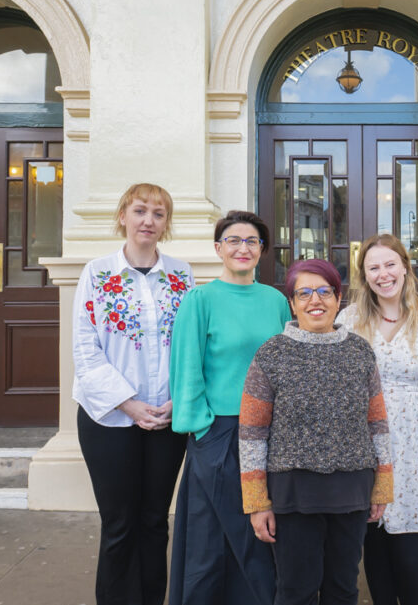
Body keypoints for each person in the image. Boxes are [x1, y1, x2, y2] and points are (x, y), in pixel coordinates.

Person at [239, 258, 394, 605]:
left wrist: (382, 484)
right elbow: (252, 433)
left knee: (343, 589)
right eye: (304, 293)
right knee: (296, 591)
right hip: (294, 495)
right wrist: (256, 502)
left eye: (325, 291)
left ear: (339, 299)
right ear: (292, 303)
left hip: (352, 491)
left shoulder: (359, 352)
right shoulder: (272, 354)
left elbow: (378, 423)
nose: (316, 300)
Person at [72, 183, 195, 605]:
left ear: (166, 223)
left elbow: (191, 345)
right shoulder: (97, 273)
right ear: (123, 215)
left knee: (155, 520)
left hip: (167, 416)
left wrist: (179, 398)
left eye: (159, 214)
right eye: (140, 211)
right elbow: (86, 351)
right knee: (120, 522)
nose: (149, 221)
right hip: (109, 418)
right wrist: (128, 403)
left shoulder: (182, 275)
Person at [167, 210, 292, 605]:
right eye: (234, 240)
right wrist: (201, 429)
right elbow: (186, 368)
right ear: (219, 249)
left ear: (262, 251)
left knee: (260, 535)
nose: (243, 248)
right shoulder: (200, 299)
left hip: (269, 431)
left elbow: (288, 365)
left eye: (251, 241)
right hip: (218, 432)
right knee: (210, 539)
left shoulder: (275, 301)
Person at [337, 234, 418, 605]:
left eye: (390, 264)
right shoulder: (349, 319)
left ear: (405, 268)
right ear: (364, 276)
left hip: (415, 441)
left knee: (408, 544)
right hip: (365, 440)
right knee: (373, 539)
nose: (383, 274)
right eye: (373, 267)